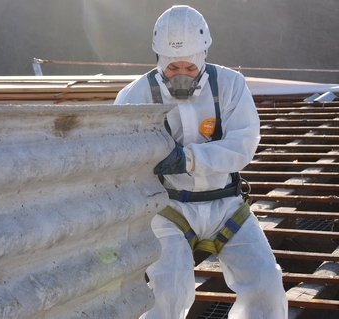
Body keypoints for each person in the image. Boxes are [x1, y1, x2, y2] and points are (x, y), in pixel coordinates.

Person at [114, 5, 288, 319]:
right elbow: (121, 155)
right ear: (158, 60)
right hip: (169, 209)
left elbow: (243, 145)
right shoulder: (135, 96)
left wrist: (189, 159)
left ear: (204, 55)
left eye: (191, 68)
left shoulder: (231, 86)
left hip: (227, 206)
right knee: (169, 291)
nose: (181, 75)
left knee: (266, 282)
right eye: (172, 67)